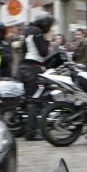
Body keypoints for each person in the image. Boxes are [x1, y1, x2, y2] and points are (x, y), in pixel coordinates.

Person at [19, 13, 54, 141]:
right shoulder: (38, 32)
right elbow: (43, 52)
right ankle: (31, 133)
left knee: (31, 100)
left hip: (25, 66)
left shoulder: (28, 31)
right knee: (35, 101)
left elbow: (23, 49)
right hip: (33, 68)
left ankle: (30, 129)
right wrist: (48, 39)